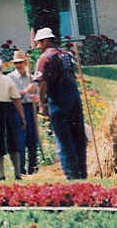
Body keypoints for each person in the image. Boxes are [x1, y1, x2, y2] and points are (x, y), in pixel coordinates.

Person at [32, 27, 88, 180]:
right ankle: (82, 173)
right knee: (78, 138)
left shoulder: (45, 58)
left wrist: (42, 105)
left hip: (58, 102)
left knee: (63, 140)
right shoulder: (67, 55)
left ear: (45, 41)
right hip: (74, 99)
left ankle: (71, 175)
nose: (38, 46)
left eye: (39, 43)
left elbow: (42, 83)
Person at [8, 50, 38, 175]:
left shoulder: (31, 77)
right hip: (17, 109)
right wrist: (26, 91)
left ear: (25, 62)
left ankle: (33, 168)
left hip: (30, 108)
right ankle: (21, 169)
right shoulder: (10, 78)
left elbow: (36, 92)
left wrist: (35, 97)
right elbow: (13, 96)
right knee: (20, 138)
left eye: (20, 63)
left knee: (32, 138)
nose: (18, 65)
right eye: (16, 63)